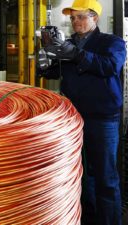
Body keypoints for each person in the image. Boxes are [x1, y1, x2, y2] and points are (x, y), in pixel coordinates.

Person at [39, 0, 127, 224]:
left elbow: (109, 66)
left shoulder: (112, 43)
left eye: (80, 17)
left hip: (102, 119)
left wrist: (76, 54)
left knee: (106, 178)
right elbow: (55, 74)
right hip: (74, 118)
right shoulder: (68, 44)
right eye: (72, 18)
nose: (75, 21)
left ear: (94, 17)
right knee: (81, 175)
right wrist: (46, 63)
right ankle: (88, 218)